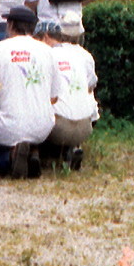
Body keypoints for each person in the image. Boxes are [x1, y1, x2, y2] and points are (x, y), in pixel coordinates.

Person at [0, 5, 60, 179]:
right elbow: (54, 98)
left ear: (11, 25)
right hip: (42, 127)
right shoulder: (48, 52)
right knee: (28, 131)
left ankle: (11, 157)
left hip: (9, 125)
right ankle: (32, 152)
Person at [35, 13, 98, 171]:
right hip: (86, 126)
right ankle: (73, 147)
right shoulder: (83, 55)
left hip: (59, 128)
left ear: (45, 37)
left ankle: (34, 151)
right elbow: (90, 87)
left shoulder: (46, 55)